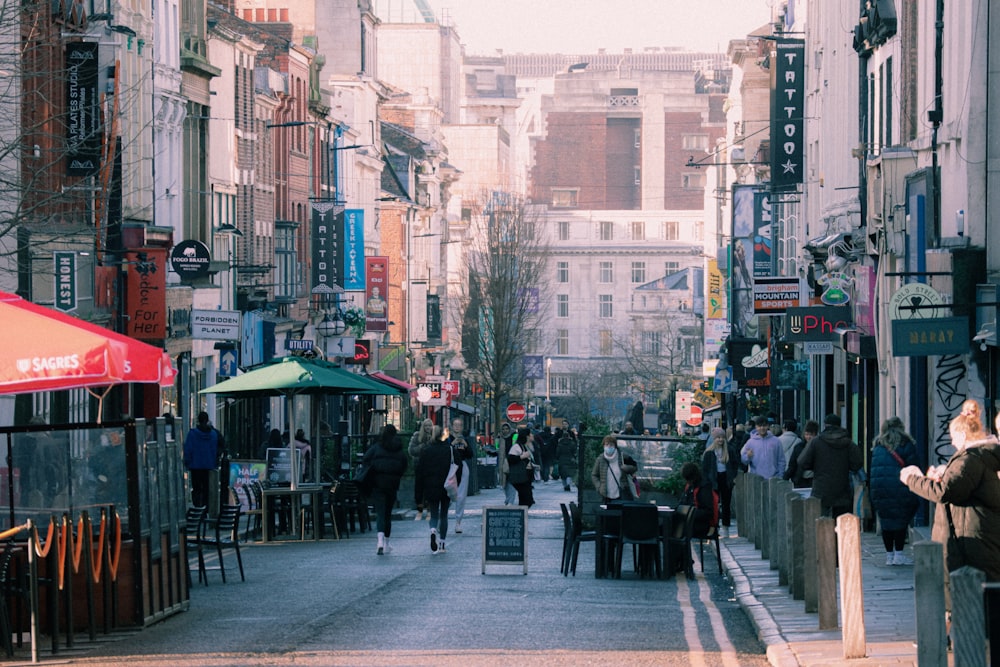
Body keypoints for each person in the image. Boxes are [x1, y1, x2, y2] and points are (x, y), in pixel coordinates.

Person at [901, 411, 1000, 590]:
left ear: (963, 435)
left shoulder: (971, 458)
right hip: (973, 534)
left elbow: (945, 492)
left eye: (953, 437)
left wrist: (911, 479)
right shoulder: (978, 457)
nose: (952, 442)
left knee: (968, 595)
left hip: (969, 540)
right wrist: (942, 474)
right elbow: (957, 485)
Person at [869, 417, 920, 566]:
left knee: (886, 521)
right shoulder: (906, 444)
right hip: (901, 487)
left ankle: (889, 556)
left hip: (880, 490)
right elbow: (914, 467)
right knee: (900, 521)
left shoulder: (878, 446)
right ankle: (899, 554)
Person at [797, 413, 863, 517]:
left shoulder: (816, 442)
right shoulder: (848, 443)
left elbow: (802, 462)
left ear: (825, 425)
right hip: (842, 489)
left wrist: (815, 467)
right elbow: (858, 463)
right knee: (841, 524)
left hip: (821, 489)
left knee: (821, 523)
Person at [361, 424, 408, 555]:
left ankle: (380, 541)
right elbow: (404, 464)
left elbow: (366, 459)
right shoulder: (398, 450)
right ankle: (387, 542)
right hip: (392, 484)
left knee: (380, 513)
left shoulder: (376, 448)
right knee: (388, 513)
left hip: (378, 483)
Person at [416, 425, 454, 553]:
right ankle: (442, 544)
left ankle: (433, 530)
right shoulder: (449, 450)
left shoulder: (426, 450)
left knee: (433, 513)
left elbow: (420, 472)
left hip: (431, 487)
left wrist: (419, 494)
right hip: (446, 486)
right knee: (444, 514)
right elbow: (457, 467)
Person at [702, 427, 738, 538]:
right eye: (718, 438)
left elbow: (734, 464)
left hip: (726, 478)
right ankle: (714, 527)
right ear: (714, 439)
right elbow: (705, 468)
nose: (720, 440)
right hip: (714, 479)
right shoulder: (709, 452)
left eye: (722, 437)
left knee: (726, 503)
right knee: (714, 504)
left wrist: (733, 477)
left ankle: (726, 527)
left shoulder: (730, 450)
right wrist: (707, 480)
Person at [183, 411, 224, 508]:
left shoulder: (192, 434)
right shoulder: (213, 434)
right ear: (207, 420)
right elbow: (219, 447)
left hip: (195, 467)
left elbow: (188, 449)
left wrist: (187, 463)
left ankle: (197, 507)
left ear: (198, 420)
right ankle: (206, 508)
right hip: (209, 466)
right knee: (207, 488)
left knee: (197, 488)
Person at [590, 434, 637, 504]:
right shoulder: (600, 459)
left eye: (611, 445)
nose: (609, 447)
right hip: (606, 495)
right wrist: (599, 487)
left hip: (622, 493)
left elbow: (635, 467)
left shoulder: (623, 457)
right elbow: (594, 475)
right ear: (604, 446)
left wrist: (627, 468)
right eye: (607, 445)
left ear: (615, 446)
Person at [446, 417, 474, 533]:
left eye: (460, 425)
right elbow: (444, 451)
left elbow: (470, 455)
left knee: (461, 495)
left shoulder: (465, 439)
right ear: (452, 426)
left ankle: (458, 522)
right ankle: (442, 519)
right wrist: (452, 444)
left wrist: (465, 444)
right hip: (451, 466)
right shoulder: (448, 438)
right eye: (455, 425)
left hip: (462, 466)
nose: (457, 427)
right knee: (447, 493)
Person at [679, 461, 718, 539]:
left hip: (702, 525)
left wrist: (689, 512)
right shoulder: (690, 487)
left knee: (677, 529)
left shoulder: (704, 487)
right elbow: (682, 502)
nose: (687, 482)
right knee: (671, 527)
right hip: (691, 521)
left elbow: (708, 512)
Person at [740, 416, 786, 480]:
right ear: (756, 427)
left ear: (768, 426)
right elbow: (744, 461)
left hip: (773, 479)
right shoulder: (750, 442)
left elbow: (781, 460)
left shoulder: (776, 441)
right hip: (756, 479)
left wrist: (780, 476)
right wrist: (748, 456)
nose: (762, 428)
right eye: (759, 426)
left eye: (764, 426)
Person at [408, 418, 434, 519]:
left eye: (429, 425)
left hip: (431, 466)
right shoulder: (417, 436)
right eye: (426, 426)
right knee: (419, 488)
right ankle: (419, 509)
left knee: (430, 488)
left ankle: (429, 509)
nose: (428, 428)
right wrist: (422, 447)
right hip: (419, 465)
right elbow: (411, 450)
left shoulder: (434, 436)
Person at [506, 426, 536, 507]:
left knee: (527, 499)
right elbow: (511, 459)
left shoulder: (527, 446)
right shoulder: (517, 446)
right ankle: (521, 515)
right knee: (525, 498)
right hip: (520, 477)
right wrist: (522, 456)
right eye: (531, 434)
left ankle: (523, 514)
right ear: (527, 436)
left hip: (526, 477)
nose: (533, 436)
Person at [784, 420, 817, 488]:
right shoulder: (798, 447)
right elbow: (792, 465)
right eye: (806, 434)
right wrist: (785, 478)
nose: (808, 437)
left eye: (811, 435)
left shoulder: (819, 447)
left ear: (815, 435)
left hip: (814, 481)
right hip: (800, 480)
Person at [496, 423, 518, 505]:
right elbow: (497, 448)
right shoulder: (500, 438)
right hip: (502, 463)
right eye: (503, 429)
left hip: (512, 462)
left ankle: (510, 500)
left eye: (506, 429)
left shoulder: (514, 436)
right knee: (504, 482)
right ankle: (508, 498)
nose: (505, 430)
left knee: (511, 481)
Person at [556, 428, 578, 492]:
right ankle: (568, 484)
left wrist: (557, 458)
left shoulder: (560, 444)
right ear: (569, 436)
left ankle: (565, 485)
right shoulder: (572, 443)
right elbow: (575, 452)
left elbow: (557, 453)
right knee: (569, 473)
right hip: (570, 459)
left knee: (563, 474)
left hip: (562, 460)